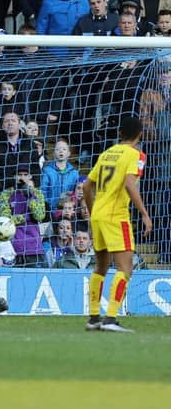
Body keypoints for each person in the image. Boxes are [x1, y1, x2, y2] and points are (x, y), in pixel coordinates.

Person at [82, 117, 152, 332]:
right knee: (125, 267)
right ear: (140, 134)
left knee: (100, 267)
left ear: (120, 134)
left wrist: (94, 213)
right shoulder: (137, 155)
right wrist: (144, 213)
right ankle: (111, 319)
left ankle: (93, 318)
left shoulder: (106, 153)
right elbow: (130, 184)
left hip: (98, 215)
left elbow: (86, 186)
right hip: (116, 216)